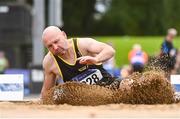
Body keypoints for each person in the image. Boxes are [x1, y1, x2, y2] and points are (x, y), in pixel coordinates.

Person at [40, 26, 120, 98]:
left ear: (64, 35)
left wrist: (97, 59)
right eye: (50, 46)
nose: (55, 47)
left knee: (128, 84)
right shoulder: (49, 62)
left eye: (56, 41)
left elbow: (110, 50)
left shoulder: (82, 44)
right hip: (83, 99)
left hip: (109, 86)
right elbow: (47, 92)